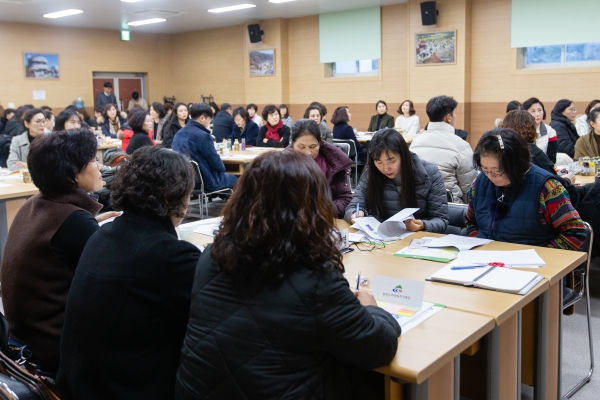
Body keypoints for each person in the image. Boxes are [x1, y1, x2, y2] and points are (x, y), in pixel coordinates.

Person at [175, 150, 400, 399]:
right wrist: (374, 309)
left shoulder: (211, 257)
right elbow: (379, 348)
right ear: (312, 206)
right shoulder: (315, 278)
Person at [57, 146, 200, 400]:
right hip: (122, 389)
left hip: (78, 384)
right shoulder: (171, 256)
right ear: (171, 196)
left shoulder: (103, 234)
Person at [1, 128, 117, 375]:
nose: (99, 166)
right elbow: (115, 276)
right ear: (71, 174)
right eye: (94, 160)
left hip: (22, 338)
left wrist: (90, 223)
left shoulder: (35, 203)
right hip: (52, 347)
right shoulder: (73, 221)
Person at [466, 128, 586, 250]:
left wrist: (544, 256)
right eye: (485, 169)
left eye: (497, 171)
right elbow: (471, 222)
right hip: (487, 260)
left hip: (534, 263)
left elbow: (575, 233)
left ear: (516, 164)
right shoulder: (480, 183)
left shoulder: (546, 188)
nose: (490, 176)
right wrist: (479, 245)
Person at [345, 129, 448, 233]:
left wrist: (423, 226)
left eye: (391, 161)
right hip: (380, 240)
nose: (386, 168)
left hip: (415, 241)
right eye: (379, 162)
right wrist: (355, 213)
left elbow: (441, 220)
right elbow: (353, 207)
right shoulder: (371, 173)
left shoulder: (429, 174)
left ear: (403, 155)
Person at [410, 95, 477, 204]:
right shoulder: (461, 145)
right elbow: (469, 188)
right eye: (455, 113)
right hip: (450, 208)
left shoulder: (415, 143)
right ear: (448, 117)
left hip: (419, 205)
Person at [291, 119, 352, 217]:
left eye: (313, 146)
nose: (308, 153)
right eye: (301, 147)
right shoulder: (281, 166)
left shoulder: (334, 164)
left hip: (324, 220)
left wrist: (319, 210)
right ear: (292, 144)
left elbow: (345, 200)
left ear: (320, 143)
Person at [172, 103, 237, 191]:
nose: (209, 123)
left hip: (185, 180)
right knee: (239, 180)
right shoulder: (203, 136)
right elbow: (217, 163)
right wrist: (223, 168)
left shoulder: (178, 134)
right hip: (208, 181)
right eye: (209, 120)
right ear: (202, 118)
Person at [501, 110, 576, 186]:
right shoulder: (533, 152)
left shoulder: (501, 150)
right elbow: (554, 183)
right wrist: (567, 180)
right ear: (532, 128)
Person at [522, 97, 558, 163]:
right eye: (533, 111)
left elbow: (551, 159)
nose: (538, 114)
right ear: (524, 113)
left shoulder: (550, 131)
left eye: (540, 110)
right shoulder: (519, 130)